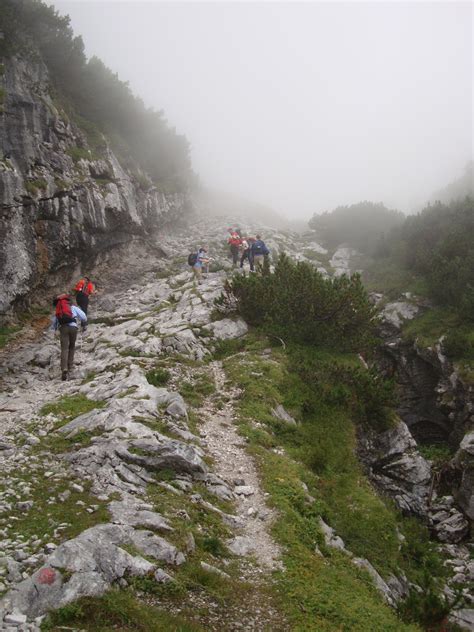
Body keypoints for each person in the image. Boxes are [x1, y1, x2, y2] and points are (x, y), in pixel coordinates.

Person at [51, 294, 87, 381]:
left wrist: (55, 330)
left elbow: (54, 323)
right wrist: (83, 323)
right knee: (72, 346)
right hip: (73, 327)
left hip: (63, 328)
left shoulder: (59, 309)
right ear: (68, 301)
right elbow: (84, 317)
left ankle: (64, 368)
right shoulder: (73, 308)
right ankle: (70, 366)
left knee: (64, 348)